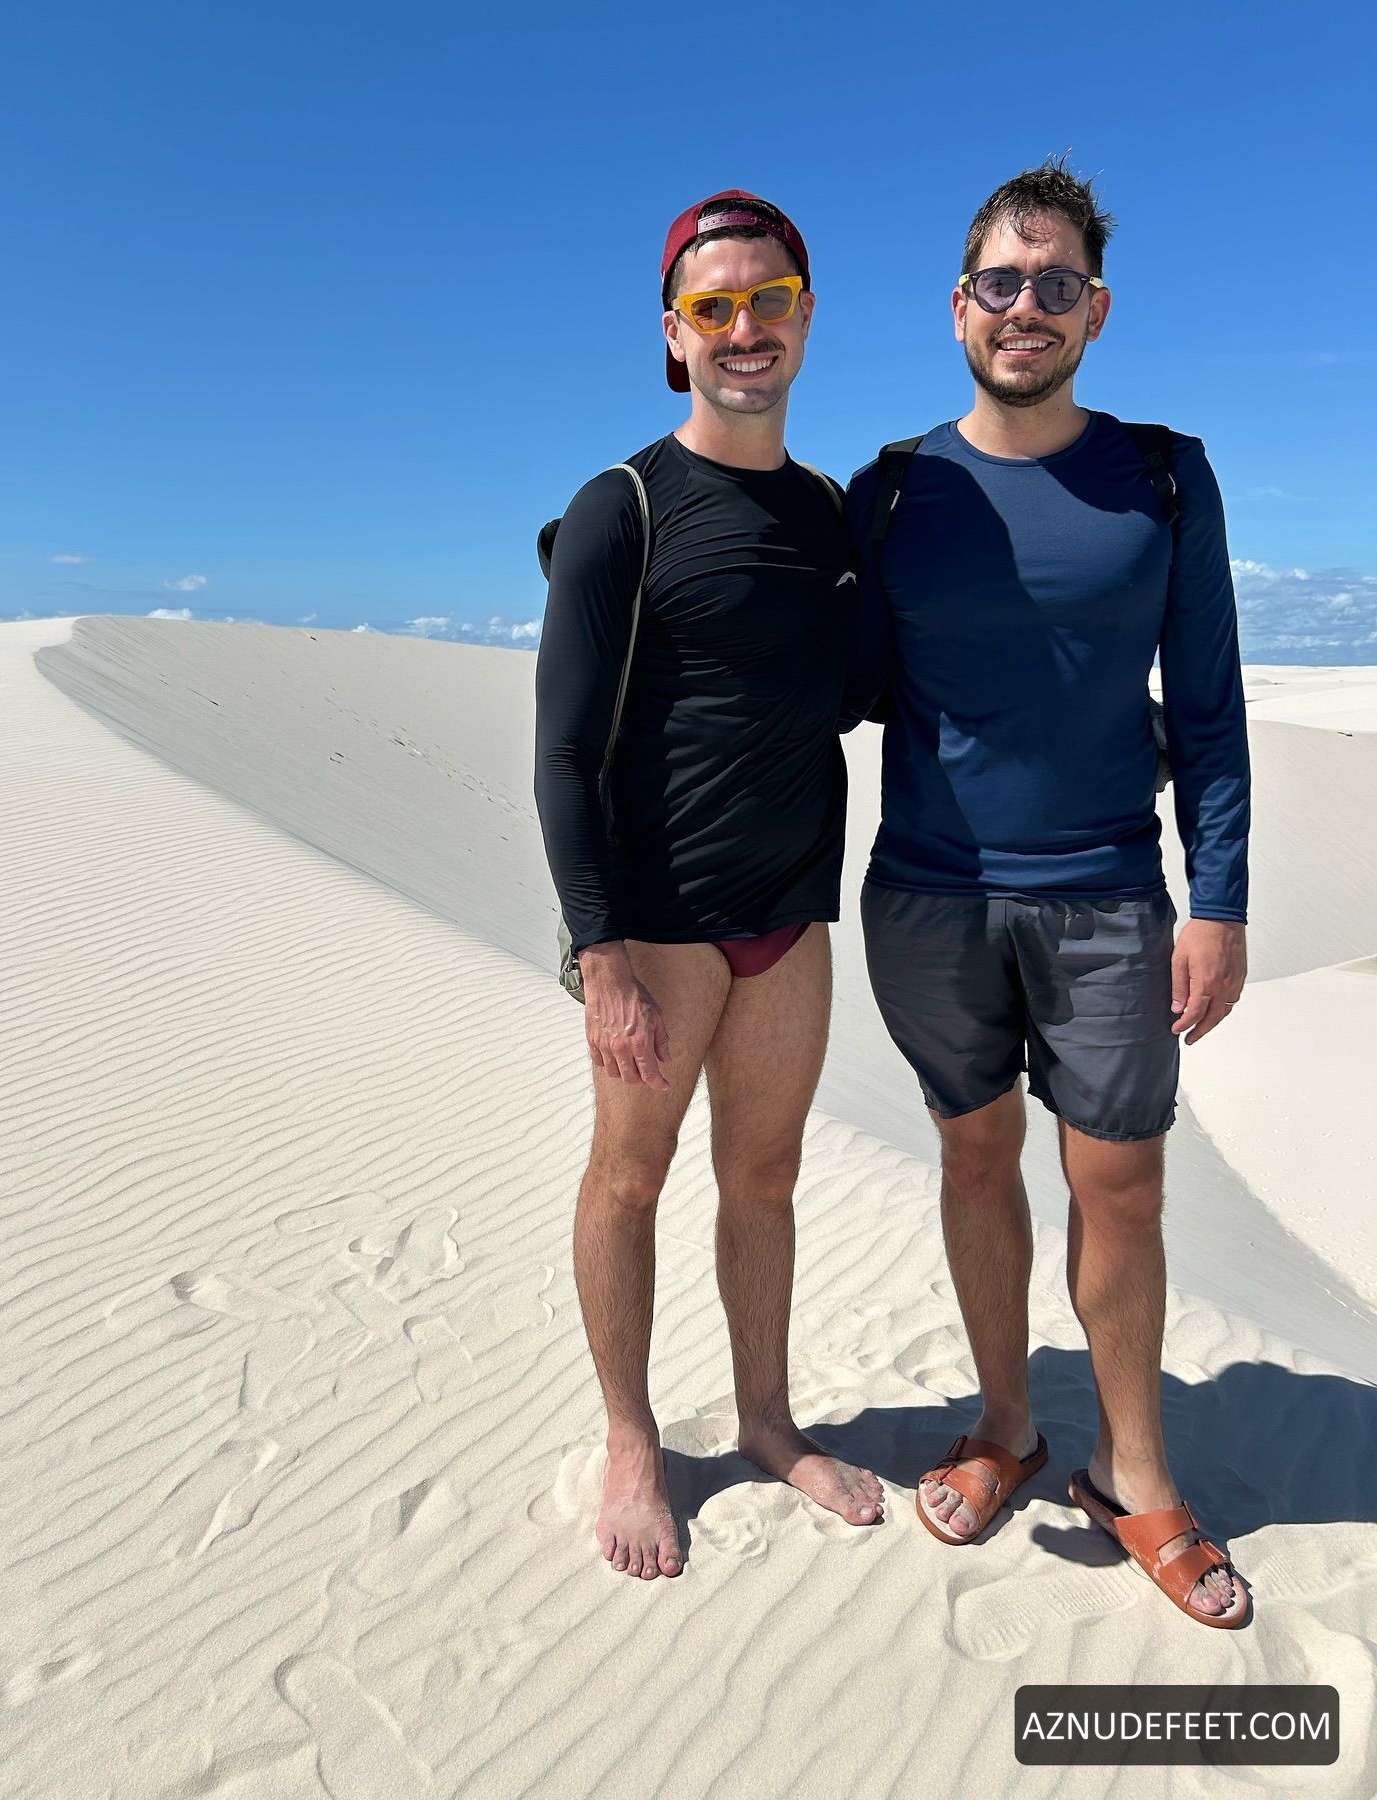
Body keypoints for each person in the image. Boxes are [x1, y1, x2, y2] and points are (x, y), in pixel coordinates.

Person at [845, 158, 1252, 1627]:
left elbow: (1207, 702)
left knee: (1120, 1182)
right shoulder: (894, 490)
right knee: (973, 1161)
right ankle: (1007, 1423)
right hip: (928, 898)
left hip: (1106, 899)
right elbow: (812, 679)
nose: (1028, 306)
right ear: (960, 306)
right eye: (1003, 282)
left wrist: (1220, 900)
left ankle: (1134, 1471)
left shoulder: (1164, 475)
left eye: (1056, 283)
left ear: (1097, 309)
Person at [534, 190, 884, 1581]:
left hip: (791, 916)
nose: (747, 329)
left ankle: (767, 1422)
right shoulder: (618, 508)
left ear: (806, 316)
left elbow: (858, 688)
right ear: (675, 335)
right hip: (660, 924)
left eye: (770, 300)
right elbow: (564, 752)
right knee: (630, 1179)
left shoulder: (826, 513)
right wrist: (600, 954)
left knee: (767, 1177)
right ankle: (631, 1437)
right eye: (715, 307)